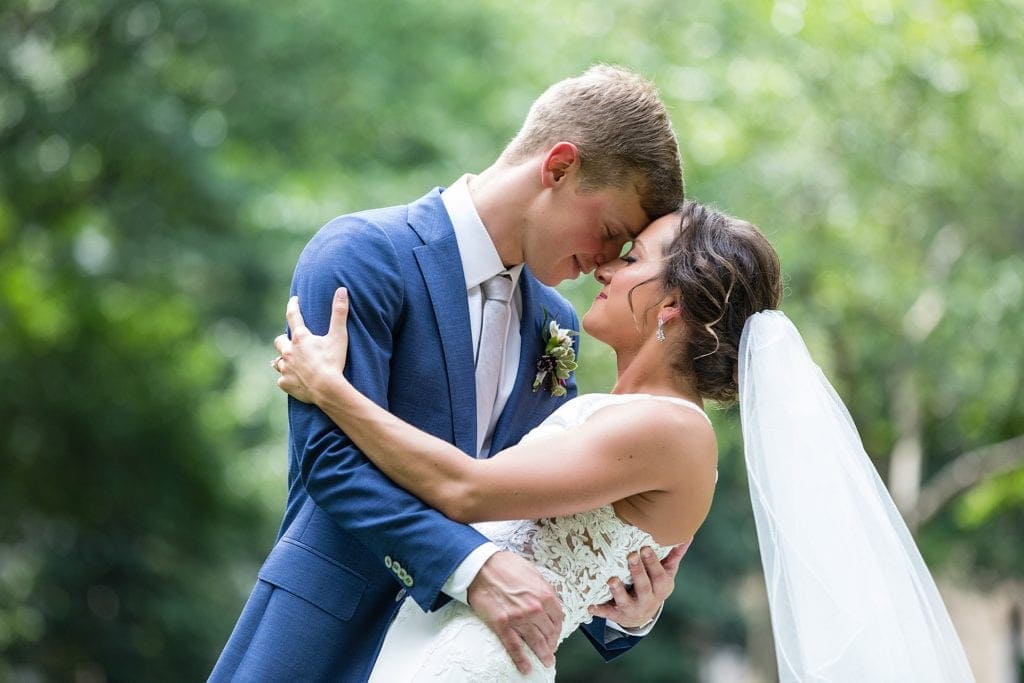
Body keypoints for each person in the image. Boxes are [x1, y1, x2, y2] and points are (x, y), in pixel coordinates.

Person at [276, 201, 976, 682]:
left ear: (671, 304)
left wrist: (329, 386)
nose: (605, 266)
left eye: (632, 255)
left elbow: (465, 489)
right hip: (432, 640)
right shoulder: (619, 411)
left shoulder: (673, 429)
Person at [209, 65, 685, 682]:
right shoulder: (363, 253)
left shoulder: (557, 324)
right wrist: (472, 568)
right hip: (320, 644)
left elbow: (543, 518)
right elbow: (330, 461)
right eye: (611, 232)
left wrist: (625, 613)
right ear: (560, 167)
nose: (603, 263)